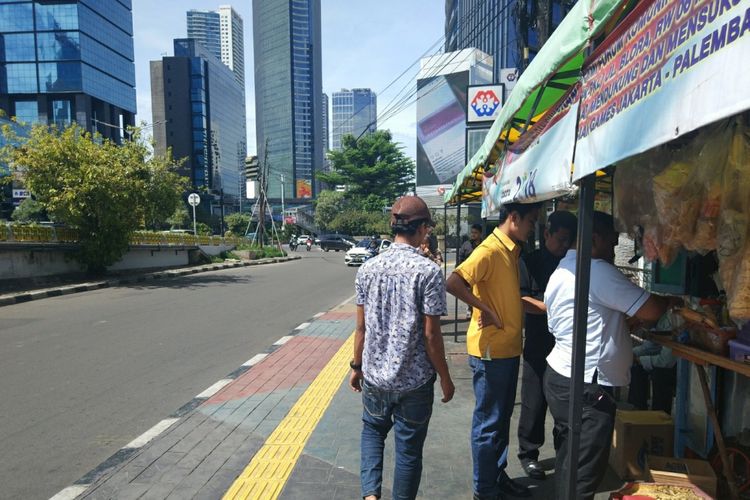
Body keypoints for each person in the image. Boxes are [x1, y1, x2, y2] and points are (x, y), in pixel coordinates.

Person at [543, 211, 675, 500]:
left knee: (570, 462)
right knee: (583, 474)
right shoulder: (596, 271)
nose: (614, 252)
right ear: (593, 240)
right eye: (612, 244)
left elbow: (580, 321)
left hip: (561, 378)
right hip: (586, 386)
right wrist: (670, 302)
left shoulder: (562, 270)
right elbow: (652, 310)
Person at [350, 195, 455, 500]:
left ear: (392, 226)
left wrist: (357, 368)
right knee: (408, 452)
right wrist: (446, 378)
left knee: (372, 431)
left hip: (375, 377)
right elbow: (431, 335)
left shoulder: (367, 269)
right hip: (415, 382)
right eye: (428, 227)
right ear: (422, 228)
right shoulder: (429, 272)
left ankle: (370, 496)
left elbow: (361, 328)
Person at [446, 202, 541, 500]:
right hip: (491, 352)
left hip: (508, 348)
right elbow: (454, 282)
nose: (533, 227)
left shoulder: (511, 250)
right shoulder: (489, 250)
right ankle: (484, 490)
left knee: (499, 422)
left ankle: (496, 477)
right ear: (513, 218)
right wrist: (484, 308)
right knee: (489, 424)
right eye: (530, 221)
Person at [516, 211, 578, 480]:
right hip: (539, 342)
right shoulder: (529, 262)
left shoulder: (575, 263)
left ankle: (565, 453)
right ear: (547, 234)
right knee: (534, 401)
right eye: (561, 239)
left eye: (570, 240)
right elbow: (521, 299)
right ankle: (529, 454)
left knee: (565, 404)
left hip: (568, 344)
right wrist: (552, 308)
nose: (565, 245)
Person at [460, 224, 484, 320]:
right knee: (469, 292)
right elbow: (460, 258)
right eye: (472, 232)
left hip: (481, 272)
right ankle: (469, 309)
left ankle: (479, 309)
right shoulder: (466, 245)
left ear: (480, 234)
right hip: (468, 273)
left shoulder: (484, 244)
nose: (473, 235)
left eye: (475, 233)